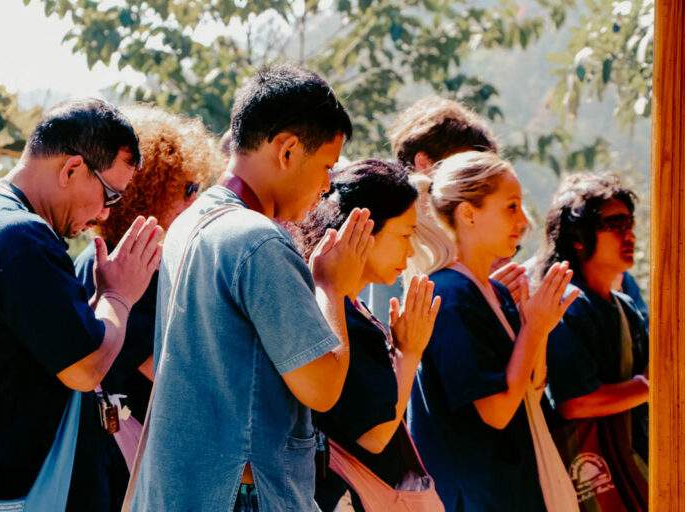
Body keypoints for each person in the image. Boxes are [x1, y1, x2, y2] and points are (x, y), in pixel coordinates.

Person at [127, 65, 373, 511]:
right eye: (326, 167)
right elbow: (322, 386)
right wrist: (331, 287)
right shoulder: (258, 241)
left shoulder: (189, 221)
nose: (325, 187)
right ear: (288, 150)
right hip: (243, 495)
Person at [0, 99, 164, 510]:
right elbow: (85, 368)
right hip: (8, 499)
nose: (105, 213)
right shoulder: (20, 239)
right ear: (71, 169)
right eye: (110, 195)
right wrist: (120, 296)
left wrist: (102, 299)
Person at [406, 151, 580, 511]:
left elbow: (532, 383)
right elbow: (496, 412)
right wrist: (534, 327)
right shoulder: (448, 297)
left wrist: (541, 326)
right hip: (476, 496)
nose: (524, 222)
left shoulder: (494, 291)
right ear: (468, 213)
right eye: (511, 208)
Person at [70, 106, 224, 511]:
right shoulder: (120, 265)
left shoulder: (126, 258)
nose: (198, 200)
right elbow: (171, 373)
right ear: (149, 190)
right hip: (120, 461)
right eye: (189, 189)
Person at [297, 159, 444, 511]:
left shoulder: (339, 305)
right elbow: (375, 435)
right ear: (363, 228)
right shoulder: (340, 315)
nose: (409, 252)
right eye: (405, 235)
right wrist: (408, 353)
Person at [535, 173, 649, 510]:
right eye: (614, 223)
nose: (629, 234)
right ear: (579, 239)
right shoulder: (566, 304)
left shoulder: (625, 307)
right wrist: (654, 386)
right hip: (588, 484)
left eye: (629, 222)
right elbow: (576, 402)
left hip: (628, 472)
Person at [363, 97, 523, 321]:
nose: (472, 187)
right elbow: (390, 334)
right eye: (464, 171)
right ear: (424, 163)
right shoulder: (390, 234)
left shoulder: (470, 233)